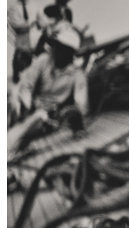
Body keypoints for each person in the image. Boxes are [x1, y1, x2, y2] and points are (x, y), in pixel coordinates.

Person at [7, 21, 89, 156]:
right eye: (57, 46)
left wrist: (68, 112)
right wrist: (29, 104)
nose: (57, 51)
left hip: (53, 114)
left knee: (36, 119)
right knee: (12, 100)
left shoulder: (77, 74)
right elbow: (26, 83)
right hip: (31, 105)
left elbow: (82, 104)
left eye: (63, 48)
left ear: (70, 53)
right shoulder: (43, 60)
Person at [7, 0, 40, 83]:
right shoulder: (13, 8)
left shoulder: (34, 5)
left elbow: (42, 20)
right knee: (20, 66)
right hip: (22, 42)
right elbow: (17, 26)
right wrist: (32, 24)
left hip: (35, 40)